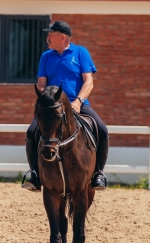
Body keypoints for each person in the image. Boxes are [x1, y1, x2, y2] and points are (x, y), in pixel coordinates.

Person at [22, 20, 109, 192]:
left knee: (102, 129)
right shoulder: (45, 56)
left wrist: (78, 101)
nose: (47, 38)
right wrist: (44, 97)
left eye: (50, 34)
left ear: (62, 37)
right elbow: (41, 83)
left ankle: (98, 173)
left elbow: (89, 82)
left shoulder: (81, 53)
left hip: (77, 104)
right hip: (53, 106)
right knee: (32, 132)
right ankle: (34, 174)